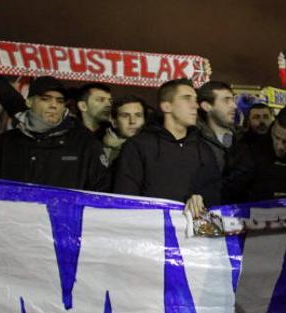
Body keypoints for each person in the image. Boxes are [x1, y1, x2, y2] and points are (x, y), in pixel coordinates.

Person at [113, 78, 220, 216]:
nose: (195, 105)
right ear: (166, 106)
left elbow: (215, 192)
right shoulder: (137, 146)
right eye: (187, 98)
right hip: (149, 233)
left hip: (193, 234)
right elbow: (125, 198)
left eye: (195, 99)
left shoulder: (205, 149)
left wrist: (202, 198)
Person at [0, 76, 109, 191]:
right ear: (29, 102)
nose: (54, 105)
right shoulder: (3, 144)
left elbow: (99, 192)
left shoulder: (85, 144)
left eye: (60, 101)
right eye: (45, 99)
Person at [197, 80, 238, 170]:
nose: (234, 106)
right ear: (206, 106)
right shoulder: (195, 143)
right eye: (226, 100)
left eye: (233, 100)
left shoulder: (244, 138)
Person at [101, 95, 146, 162]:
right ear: (114, 122)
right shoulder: (99, 151)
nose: (132, 121)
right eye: (125, 116)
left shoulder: (156, 147)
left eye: (138, 115)